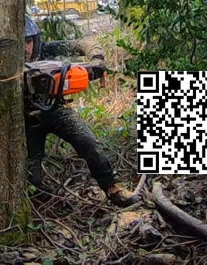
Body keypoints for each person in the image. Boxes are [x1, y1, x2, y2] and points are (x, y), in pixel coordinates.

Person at [23, 15, 141, 207]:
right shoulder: (6, 65)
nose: (25, 48)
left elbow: (82, 43)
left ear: (35, 40)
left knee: (87, 141)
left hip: (55, 109)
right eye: (21, 42)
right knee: (31, 171)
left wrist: (96, 59)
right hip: (27, 121)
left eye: (28, 41)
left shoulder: (46, 49)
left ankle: (113, 188)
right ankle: (42, 201)